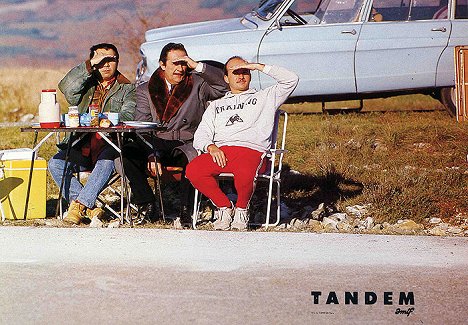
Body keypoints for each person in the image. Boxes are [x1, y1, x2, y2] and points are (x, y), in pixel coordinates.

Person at [185, 56, 299, 230]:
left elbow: (291, 79)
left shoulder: (265, 97)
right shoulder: (216, 105)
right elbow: (202, 134)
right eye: (235, 72)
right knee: (194, 170)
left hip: (253, 151)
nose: (240, 76)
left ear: (251, 74)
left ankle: (241, 210)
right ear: (226, 78)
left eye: (245, 71)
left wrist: (259, 66)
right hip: (222, 151)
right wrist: (211, 147)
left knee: (245, 170)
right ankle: (224, 207)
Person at [121, 42, 228, 226]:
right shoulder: (145, 89)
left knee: (193, 160)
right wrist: (150, 153)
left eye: (183, 63)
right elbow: (142, 125)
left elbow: (223, 86)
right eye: (175, 63)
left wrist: (197, 66)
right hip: (157, 141)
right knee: (125, 153)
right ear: (162, 64)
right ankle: (147, 203)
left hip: (185, 142)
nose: (180, 69)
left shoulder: (198, 84)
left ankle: (187, 211)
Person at [48, 43, 136, 225]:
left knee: (107, 161)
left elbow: (129, 114)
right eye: (100, 60)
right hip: (82, 144)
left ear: (117, 62)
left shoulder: (127, 88)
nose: (105, 64)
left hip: (109, 145)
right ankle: (87, 206)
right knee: (55, 163)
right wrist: (89, 65)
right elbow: (66, 87)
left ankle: (79, 206)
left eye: (110, 59)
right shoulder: (85, 86)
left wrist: (99, 119)